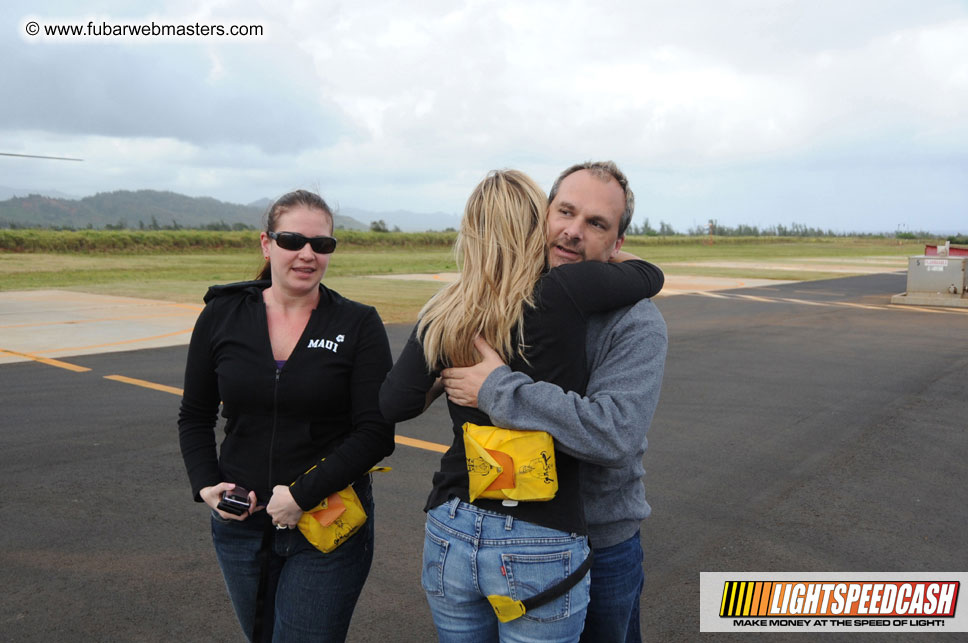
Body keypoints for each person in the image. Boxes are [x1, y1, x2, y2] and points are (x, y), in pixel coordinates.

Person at [379, 169, 663, 642]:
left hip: (600, 533)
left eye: (596, 223)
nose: (573, 230)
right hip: (521, 530)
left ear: (617, 243)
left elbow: (614, 433)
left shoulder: (634, 320)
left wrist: (494, 387)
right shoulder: (506, 298)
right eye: (565, 212)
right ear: (541, 216)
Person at [178, 189, 395, 642]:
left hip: (327, 520)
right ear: (266, 243)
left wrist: (300, 495)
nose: (307, 254)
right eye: (293, 240)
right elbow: (195, 415)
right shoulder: (222, 314)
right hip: (241, 524)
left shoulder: (358, 324)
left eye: (322, 244)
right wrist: (206, 485)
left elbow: (376, 433)